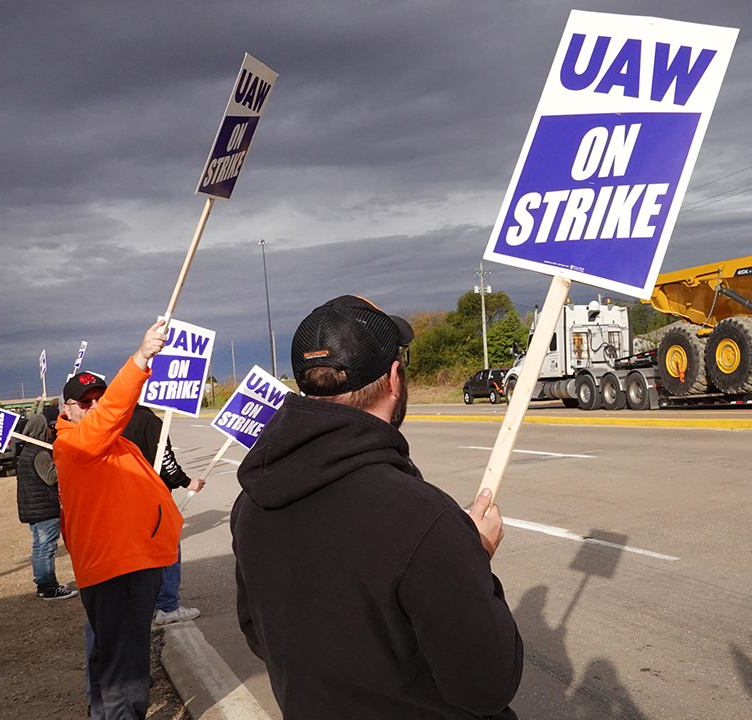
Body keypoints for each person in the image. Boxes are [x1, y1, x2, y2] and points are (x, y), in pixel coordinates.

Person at [231, 295, 524, 719]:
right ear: (393, 379)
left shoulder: (252, 502)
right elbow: (486, 687)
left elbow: (258, 635)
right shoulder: (425, 519)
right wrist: (473, 558)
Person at [54, 321, 183, 720]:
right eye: (84, 402)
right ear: (66, 410)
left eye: (99, 399)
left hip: (123, 563)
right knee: (125, 672)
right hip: (121, 567)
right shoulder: (77, 442)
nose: (94, 406)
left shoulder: (106, 442)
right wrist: (141, 359)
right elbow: (111, 414)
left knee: (109, 658)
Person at [120, 404, 204, 625]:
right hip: (150, 497)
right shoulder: (149, 420)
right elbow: (165, 459)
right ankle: (167, 606)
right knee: (167, 547)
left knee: (138, 555)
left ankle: (141, 605)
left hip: (121, 498)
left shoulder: (112, 419)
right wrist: (186, 482)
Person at [14, 414, 78, 601]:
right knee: (46, 549)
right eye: (48, 428)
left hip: (33, 508)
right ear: (40, 430)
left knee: (40, 547)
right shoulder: (39, 452)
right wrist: (63, 462)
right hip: (44, 509)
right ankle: (50, 587)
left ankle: (43, 584)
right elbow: (51, 477)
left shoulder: (27, 450)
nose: (51, 431)